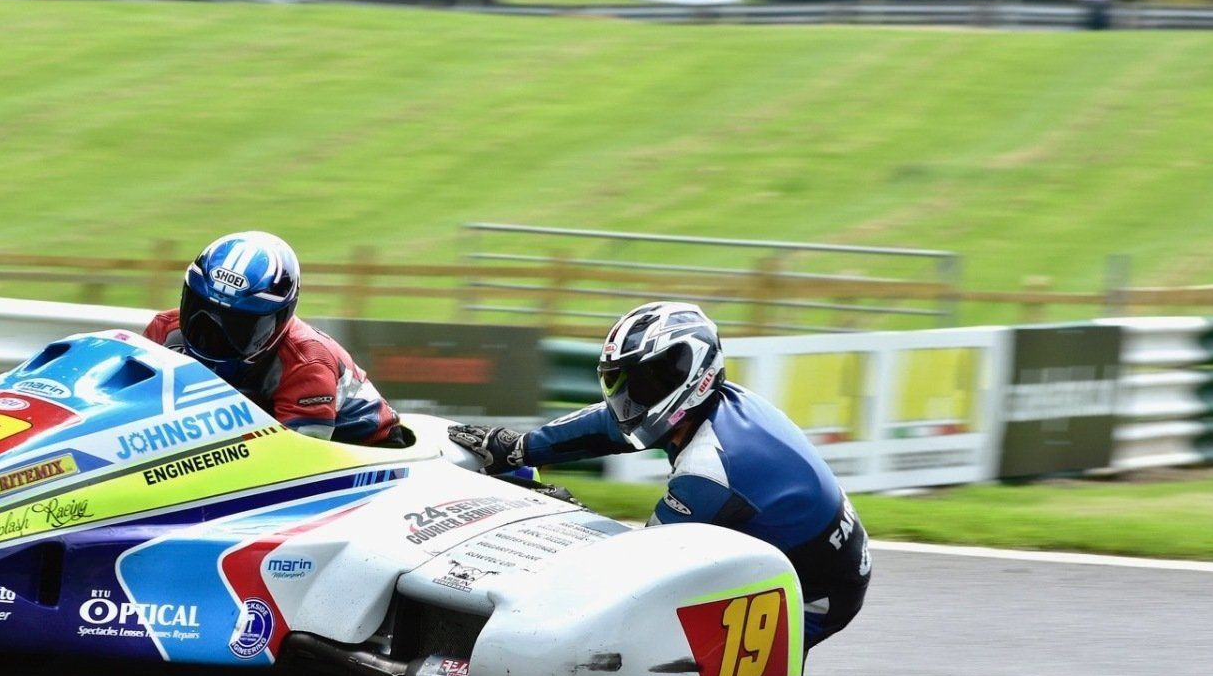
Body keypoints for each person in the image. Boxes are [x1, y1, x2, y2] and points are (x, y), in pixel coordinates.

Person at [449, 302, 870, 650]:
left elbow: (638, 572)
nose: (630, 400)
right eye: (622, 384)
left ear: (689, 373)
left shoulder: (712, 467)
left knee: (635, 637)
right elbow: (609, 425)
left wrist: (563, 515)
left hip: (814, 593)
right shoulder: (709, 406)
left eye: (647, 382)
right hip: (799, 551)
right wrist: (518, 447)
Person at [145, 232, 399, 444]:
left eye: (238, 324)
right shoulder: (164, 331)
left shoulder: (307, 364)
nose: (212, 334)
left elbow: (299, 463)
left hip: (361, 460)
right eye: (200, 312)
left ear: (279, 319)